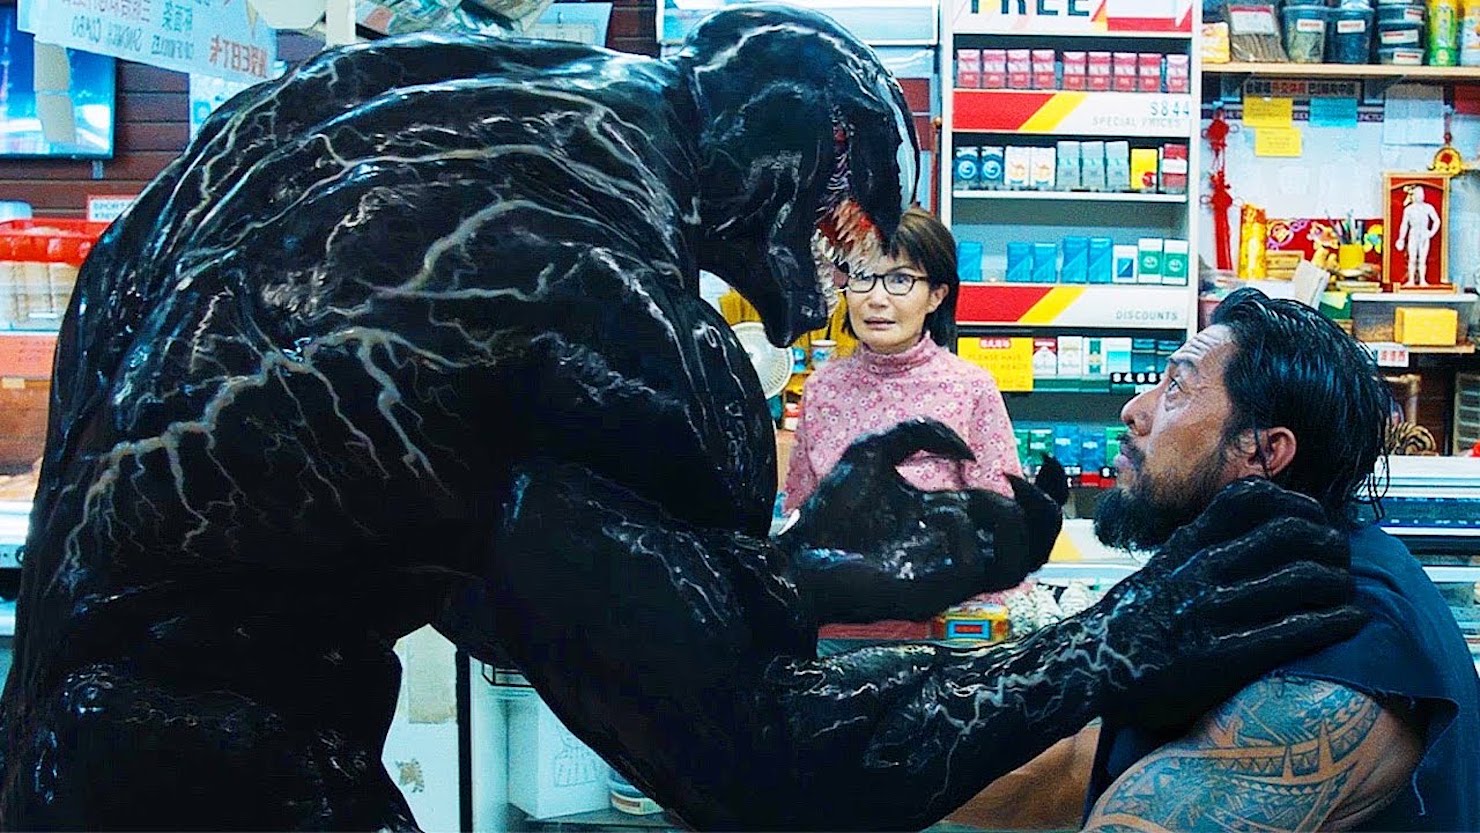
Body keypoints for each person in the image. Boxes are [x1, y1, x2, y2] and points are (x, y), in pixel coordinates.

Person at [951, 287, 1479, 832]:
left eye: (1177, 388)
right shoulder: (1256, 582)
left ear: (1263, 451)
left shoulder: (1330, 666)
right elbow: (1069, 775)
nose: (1133, 410)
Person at [784, 206, 1020, 513]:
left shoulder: (969, 387)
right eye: (862, 275)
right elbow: (800, 511)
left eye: (899, 280)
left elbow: (1002, 516)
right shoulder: (822, 388)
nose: (876, 299)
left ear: (936, 295)